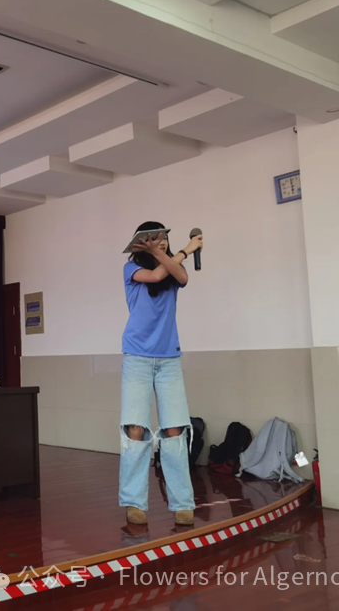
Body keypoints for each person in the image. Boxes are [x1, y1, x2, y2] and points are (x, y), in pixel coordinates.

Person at [119, 222, 203, 527]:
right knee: (135, 430)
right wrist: (187, 249)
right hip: (137, 358)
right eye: (156, 239)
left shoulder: (174, 271)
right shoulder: (131, 268)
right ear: (142, 242)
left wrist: (173, 254)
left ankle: (183, 503)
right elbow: (155, 275)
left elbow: (181, 277)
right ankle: (133, 502)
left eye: (165, 238)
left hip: (169, 360)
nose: (163, 242)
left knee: (175, 430)